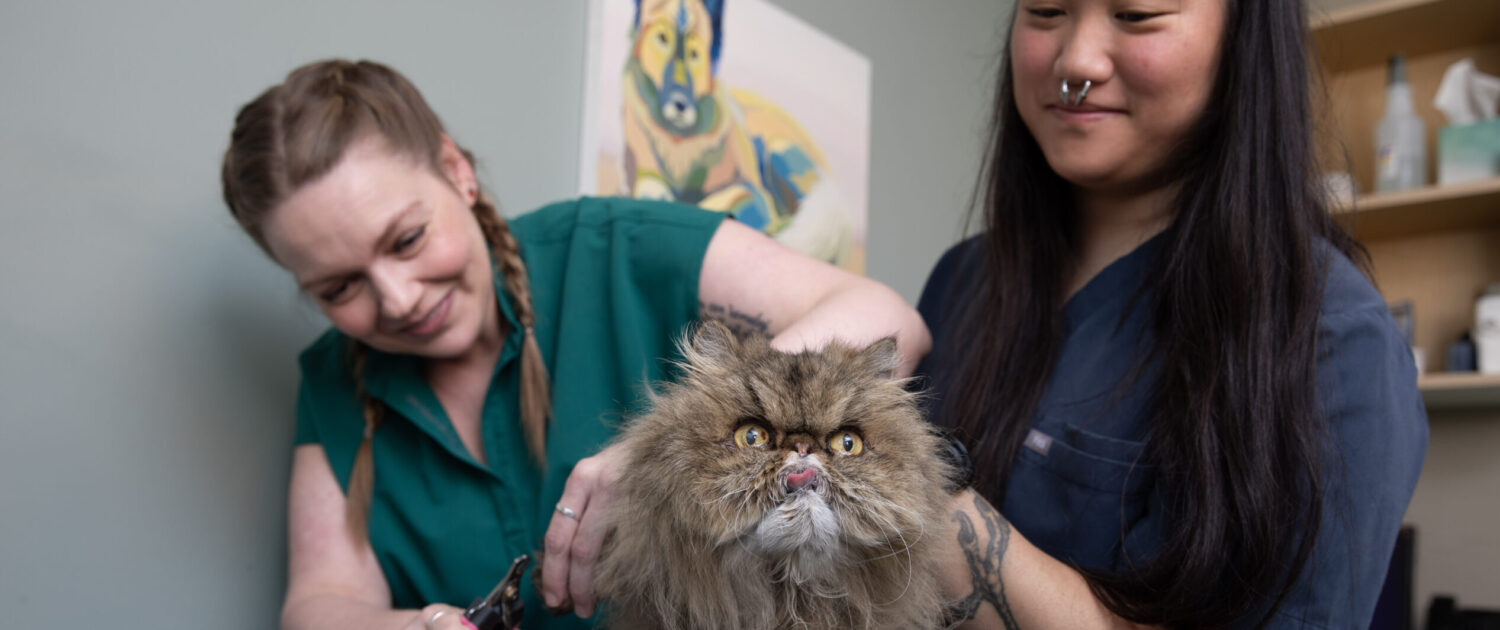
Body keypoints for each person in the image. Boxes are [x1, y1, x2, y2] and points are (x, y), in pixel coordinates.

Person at [220, 59, 929, 630]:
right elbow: (320, 603)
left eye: (407, 240)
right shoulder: (329, 384)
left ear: (455, 170)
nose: (398, 299)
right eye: (340, 288)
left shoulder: (615, 247)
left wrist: (668, 437)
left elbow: (883, 313)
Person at [919, 1, 1427, 628]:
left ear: (1242, 38)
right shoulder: (962, 280)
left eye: (1138, 13)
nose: (1075, 60)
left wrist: (898, 489)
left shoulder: (1334, 341)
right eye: (1046, 10)